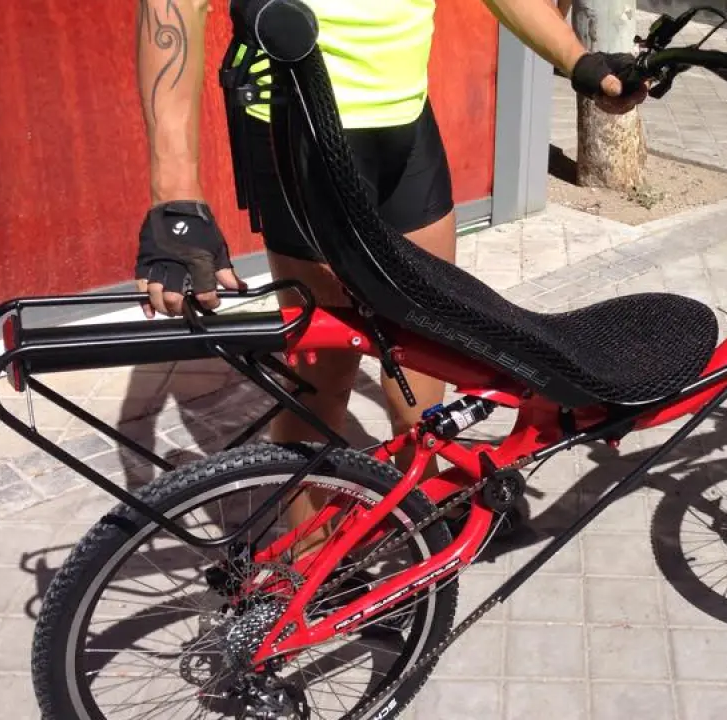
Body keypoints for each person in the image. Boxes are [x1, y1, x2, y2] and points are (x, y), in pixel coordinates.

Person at [131, 0, 645, 538]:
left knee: (431, 340)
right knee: (324, 377)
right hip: (298, 121)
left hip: (406, 123)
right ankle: (302, 557)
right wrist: (176, 197)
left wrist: (579, 60)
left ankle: (418, 508)